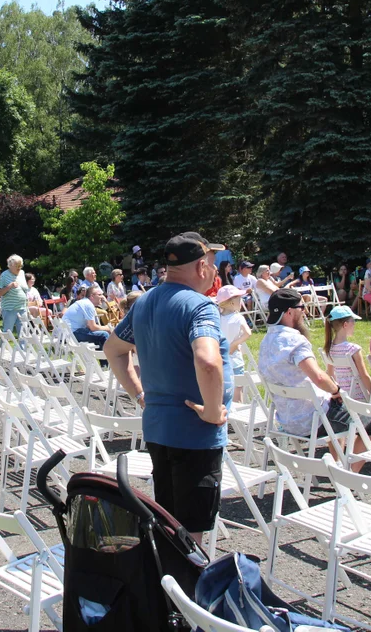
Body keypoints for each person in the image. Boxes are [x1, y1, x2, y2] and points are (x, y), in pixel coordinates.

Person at [105, 232, 231, 544]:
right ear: (201, 267)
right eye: (213, 265)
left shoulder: (144, 301)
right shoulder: (201, 306)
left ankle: (166, 588)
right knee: (190, 538)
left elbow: (113, 349)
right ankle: (183, 590)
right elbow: (208, 361)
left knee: (169, 523)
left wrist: (139, 394)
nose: (216, 271)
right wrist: (213, 411)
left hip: (159, 430)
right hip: (195, 435)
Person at [259, 289, 371, 469]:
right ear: (289, 312)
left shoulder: (266, 341)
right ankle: (348, 476)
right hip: (313, 421)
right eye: (302, 307)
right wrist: (338, 391)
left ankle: (338, 463)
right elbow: (319, 377)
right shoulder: (294, 341)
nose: (305, 312)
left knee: (336, 410)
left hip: (287, 420)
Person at [323, 305, 371, 403]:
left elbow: (330, 375)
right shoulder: (353, 349)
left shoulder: (329, 349)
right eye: (353, 321)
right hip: (359, 397)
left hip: (343, 396)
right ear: (345, 324)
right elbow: (364, 376)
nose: (354, 324)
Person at [216, 286, 251, 402]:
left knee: (221, 388)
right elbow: (248, 333)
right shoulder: (238, 317)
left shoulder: (217, 318)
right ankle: (238, 413)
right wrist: (235, 344)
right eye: (239, 299)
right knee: (237, 389)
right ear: (232, 302)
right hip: (235, 359)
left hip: (220, 359)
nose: (242, 302)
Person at [0, 254, 30, 337]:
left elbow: (25, 289)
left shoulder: (22, 273)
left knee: (23, 333)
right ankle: (3, 349)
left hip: (22, 307)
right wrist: (9, 286)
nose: (19, 268)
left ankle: (22, 350)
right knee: (7, 332)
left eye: (20, 265)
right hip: (9, 309)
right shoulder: (4, 275)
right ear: (10, 266)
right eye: (17, 266)